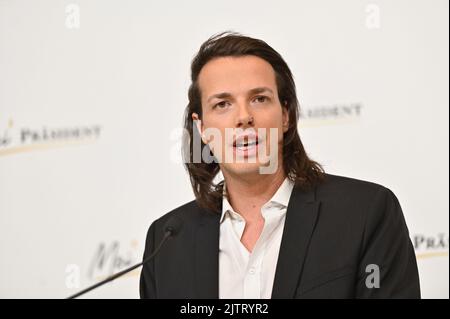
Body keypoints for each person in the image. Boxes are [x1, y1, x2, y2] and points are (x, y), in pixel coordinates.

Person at [139, 31, 420, 299]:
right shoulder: (166, 243)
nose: (244, 117)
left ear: (285, 115)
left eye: (259, 99)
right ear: (201, 128)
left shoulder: (366, 213)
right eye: (223, 104)